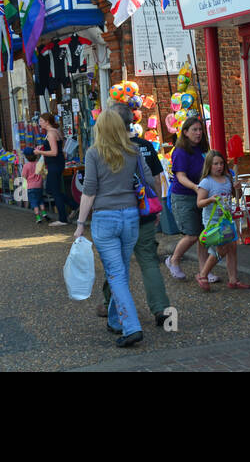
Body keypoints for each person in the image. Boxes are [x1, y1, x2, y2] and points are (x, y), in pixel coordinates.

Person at [74, 107, 154, 348]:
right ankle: (116, 320)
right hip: (130, 216)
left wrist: (79, 224)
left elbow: (89, 190)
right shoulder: (133, 151)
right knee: (121, 271)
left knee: (116, 273)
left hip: (105, 219)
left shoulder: (94, 153)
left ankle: (132, 327)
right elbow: (148, 180)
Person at [99, 103, 172, 327]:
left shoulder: (105, 150)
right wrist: (156, 206)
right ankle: (161, 309)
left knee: (115, 263)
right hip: (143, 214)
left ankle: (111, 304)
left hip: (116, 214)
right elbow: (154, 180)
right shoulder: (144, 146)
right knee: (149, 262)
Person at [164, 116, 214, 281]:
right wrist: (195, 187)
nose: (198, 133)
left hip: (201, 196)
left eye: (200, 130)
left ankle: (204, 270)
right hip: (184, 197)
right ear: (185, 132)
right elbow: (180, 176)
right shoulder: (180, 152)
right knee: (192, 234)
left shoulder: (202, 150)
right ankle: (174, 260)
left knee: (203, 235)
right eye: (194, 130)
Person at [195, 150, 249, 290]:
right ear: (209, 165)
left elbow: (236, 197)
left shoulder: (227, 179)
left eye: (221, 163)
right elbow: (199, 203)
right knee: (221, 249)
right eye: (215, 164)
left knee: (232, 248)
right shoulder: (206, 182)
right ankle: (203, 274)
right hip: (212, 221)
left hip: (226, 219)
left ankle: (233, 280)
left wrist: (238, 189)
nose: (219, 166)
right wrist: (211, 199)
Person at [33, 113, 71, 226]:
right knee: (51, 189)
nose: (39, 123)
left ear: (47, 122)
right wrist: (43, 147)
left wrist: (40, 152)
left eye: (41, 121)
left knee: (54, 191)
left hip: (54, 164)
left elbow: (54, 152)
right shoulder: (55, 131)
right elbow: (58, 148)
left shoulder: (50, 133)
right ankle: (74, 205)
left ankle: (63, 218)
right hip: (57, 163)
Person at [22, 147, 47, 223]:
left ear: (26, 157)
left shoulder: (26, 166)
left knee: (34, 203)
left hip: (31, 187)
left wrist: (24, 187)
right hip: (39, 186)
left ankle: (38, 217)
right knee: (40, 201)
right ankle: (44, 213)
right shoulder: (39, 164)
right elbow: (44, 174)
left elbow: (23, 177)